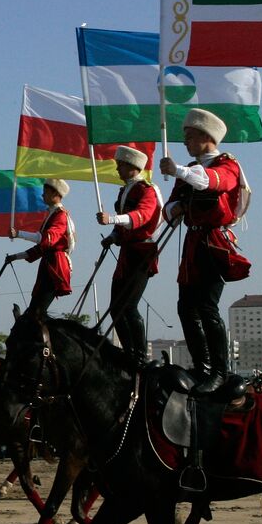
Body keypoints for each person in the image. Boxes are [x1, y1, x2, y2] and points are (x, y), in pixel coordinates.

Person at [159, 107, 252, 492]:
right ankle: (202, 365)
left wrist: (179, 173)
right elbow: (168, 210)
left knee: (207, 307)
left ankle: (218, 370)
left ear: (206, 137)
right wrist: (175, 205)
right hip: (194, 244)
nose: (185, 141)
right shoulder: (189, 169)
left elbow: (211, 182)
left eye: (189, 135)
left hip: (214, 244)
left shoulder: (227, 164)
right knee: (186, 307)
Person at [96, 146, 162, 362]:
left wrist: (112, 219)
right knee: (116, 308)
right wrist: (113, 236)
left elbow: (141, 216)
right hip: (127, 253)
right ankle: (128, 352)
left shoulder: (147, 190)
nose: (117, 170)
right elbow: (123, 225)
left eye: (120, 165)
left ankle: (140, 355)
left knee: (129, 306)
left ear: (132, 166)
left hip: (142, 252)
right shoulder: (124, 191)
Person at [16, 179, 75, 323]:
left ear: (55, 193)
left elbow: (47, 239)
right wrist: (16, 256)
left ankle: (46, 343)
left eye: (45, 192)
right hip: (49, 264)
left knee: (37, 311)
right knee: (36, 310)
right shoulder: (52, 214)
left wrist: (19, 233)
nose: (42, 195)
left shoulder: (60, 215)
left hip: (56, 266)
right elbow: (43, 247)